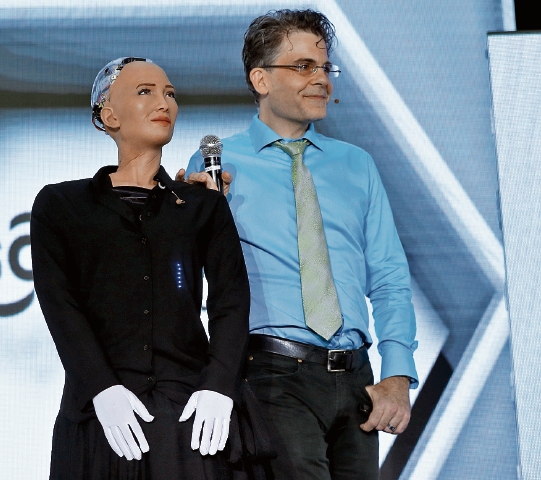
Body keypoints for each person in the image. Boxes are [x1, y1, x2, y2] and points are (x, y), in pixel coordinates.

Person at [183, 9, 418, 479]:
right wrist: (191, 218)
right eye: (304, 66)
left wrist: (396, 374)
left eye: (325, 67)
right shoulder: (216, 165)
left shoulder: (357, 164)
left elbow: (389, 277)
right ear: (261, 79)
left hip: (357, 379)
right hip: (271, 373)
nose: (321, 79)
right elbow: (190, 279)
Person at [31, 57, 250, 479]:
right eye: (145, 91)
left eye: (170, 93)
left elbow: (232, 298)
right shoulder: (61, 205)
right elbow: (60, 305)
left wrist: (220, 385)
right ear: (109, 115)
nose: (163, 102)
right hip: (101, 416)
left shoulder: (200, 205)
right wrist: (100, 386)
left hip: (189, 413)